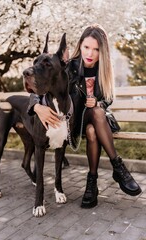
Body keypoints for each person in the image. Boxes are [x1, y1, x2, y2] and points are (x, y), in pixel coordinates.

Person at [27, 24, 141, 209]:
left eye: (96, 49)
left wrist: (99, 103)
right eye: (87, 47)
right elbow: (42, 83)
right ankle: (116, 169)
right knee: (90, 132)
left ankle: (93, 182)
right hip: (74, 121)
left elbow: (108, 99)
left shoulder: (104, 70)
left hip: (97, 117)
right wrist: (37, 106)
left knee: (96, 113)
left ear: (102, 51)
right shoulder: (68, 67)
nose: (90, 53)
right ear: (80, 45)